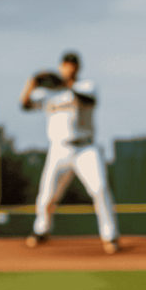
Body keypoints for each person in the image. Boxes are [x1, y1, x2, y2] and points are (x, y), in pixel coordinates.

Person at [19, 51, 120, 254]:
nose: (68, 67)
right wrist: (33, 81)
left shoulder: (87, 86)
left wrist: (65, 85)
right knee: (47, 195)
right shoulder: (48, 94)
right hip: (59, 149)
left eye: (72, 64)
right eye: (65, 64)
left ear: (78, 68)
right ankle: (41, 231)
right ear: (60, 67)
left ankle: (110, 236)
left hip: (86, 148)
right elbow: (25, 105)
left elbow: (88, 101)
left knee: (99, 189)